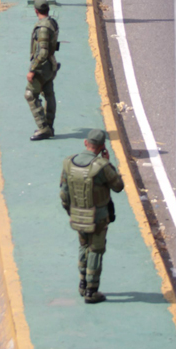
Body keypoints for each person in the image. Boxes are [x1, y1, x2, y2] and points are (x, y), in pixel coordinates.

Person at [60, 128, 123, 302]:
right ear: (103, 146)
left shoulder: (68, 162)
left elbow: (64, 194)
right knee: (96, 249)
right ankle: (91, 291)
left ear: (85, 143)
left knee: (83, 246)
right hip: (98, 216)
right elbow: (118, 186)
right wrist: (108, 163)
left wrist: (69, 210)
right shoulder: (102, 166)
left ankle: (82, 284)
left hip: (77, 214)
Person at [25, 0, 59, 140]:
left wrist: (33, 69)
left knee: (30, 95)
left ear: (35, 10)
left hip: (42, 68)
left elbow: (43, 52)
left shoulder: (42, 28)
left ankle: (43, 128)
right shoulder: (52, 22)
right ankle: (49, 125)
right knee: (49, 94)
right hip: (51, 65)